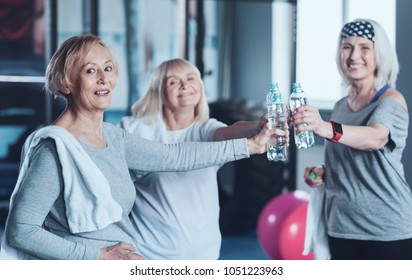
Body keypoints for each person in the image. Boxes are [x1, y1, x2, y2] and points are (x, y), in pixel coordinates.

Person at [0, 35, 286, 260]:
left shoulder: (115, 137)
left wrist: (250, 145)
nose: (104, 78)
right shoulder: (55, 149)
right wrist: (98, 256)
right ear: (66, 82)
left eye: (108, 68)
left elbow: (174, 156)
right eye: (90, 70)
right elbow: (21, 231)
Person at [118, 58, 283, 259]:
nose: (185, 85)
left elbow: (228, 132)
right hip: (149, 251)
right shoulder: (134, 129)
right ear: (158, 91)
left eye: (190, 78)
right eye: (173, 81)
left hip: (201, 251)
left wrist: (256, 126)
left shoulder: (206, 128)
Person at [295, 19, 412, 260]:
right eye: (347, 46)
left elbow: (375, 138)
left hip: (385, 230)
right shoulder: (340, 106)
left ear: (379, 55)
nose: (354, 55)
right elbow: (351, 159)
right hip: (341, 226)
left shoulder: (390, 100)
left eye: (364, 48)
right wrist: (323, 173)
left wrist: (325, 127)